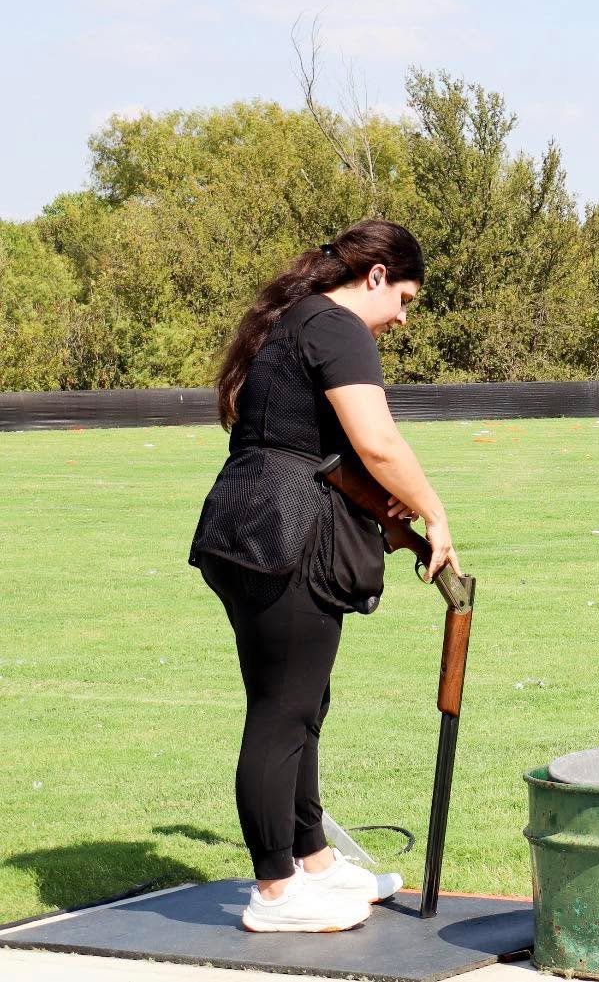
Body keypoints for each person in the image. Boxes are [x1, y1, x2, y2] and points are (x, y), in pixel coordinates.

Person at [188, 218, 462, 933]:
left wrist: (393, 512)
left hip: (247, 527)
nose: (402, 317)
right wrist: (434, 510)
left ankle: (312, 859)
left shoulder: (295, 320)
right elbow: (375, 439)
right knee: (282, 710)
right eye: (403, 297)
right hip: (282, 536)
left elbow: (319, 446)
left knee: (297, 702)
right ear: (374, 277)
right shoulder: (340, 327)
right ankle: (274, 891)